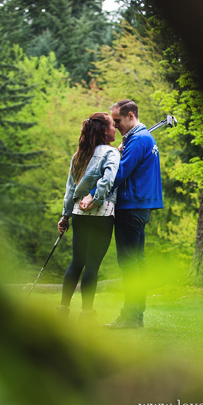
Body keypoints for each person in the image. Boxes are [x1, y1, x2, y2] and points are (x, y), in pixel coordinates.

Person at [80, 99, 163, 329]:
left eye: (117, 121)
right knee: (137, 262)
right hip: (140, 206)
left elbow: (119, 173)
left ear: (130, 116)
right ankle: (136, 316)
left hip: (131, 206)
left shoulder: (138, 139)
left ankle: (130, 317)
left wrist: (93, 195)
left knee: (128, 262)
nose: (114, 127)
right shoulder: (141, 138)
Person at [56, 112, 119, 323]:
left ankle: (63, 309)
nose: (115, 129)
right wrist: (96, 199)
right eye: (112, 126)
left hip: (78, 214)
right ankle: (86, 314)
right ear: (103, 131)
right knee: (92, 265)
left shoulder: (79, 155)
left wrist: (65, 216)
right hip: (102, 214)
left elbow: (70, 189)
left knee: (76, 262)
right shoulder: (111, 153)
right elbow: (108, 179)